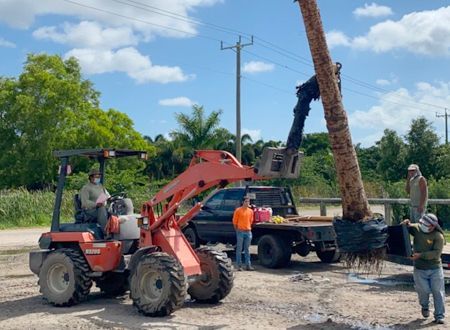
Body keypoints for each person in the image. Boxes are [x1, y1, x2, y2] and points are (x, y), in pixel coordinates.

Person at [401, 213, 446, 324]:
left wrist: (420, 255)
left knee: (438, 292)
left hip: (435, 268)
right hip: (420, 268)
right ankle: (425, 306)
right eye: (423, 223)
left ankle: (439, 315)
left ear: (433, 226)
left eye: (427, 224)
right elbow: (404, 230)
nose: (424, 226)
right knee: (423, 291)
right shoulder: (417, 229)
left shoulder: (438, 236)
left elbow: (436, 253)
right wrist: (404, 224)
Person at [232, 196, 254, 271]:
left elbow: (251, 221)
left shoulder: (250, 211)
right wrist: (237, 230)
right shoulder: (238, 210)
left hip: (248, 231)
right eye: (246, 201)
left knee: (247, 249)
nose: (247, 203)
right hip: (240, 231)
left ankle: (248, 265)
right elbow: (234, 222)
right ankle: (239, 265)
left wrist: (247, 228)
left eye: (248, 201)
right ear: (243, 202)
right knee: (239, 249)